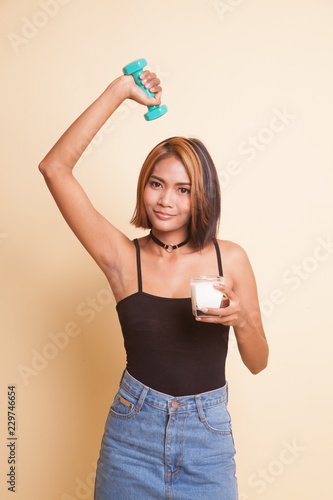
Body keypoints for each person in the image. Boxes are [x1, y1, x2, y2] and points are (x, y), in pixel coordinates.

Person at [39, 67, 269, 500]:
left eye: (183, 190)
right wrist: (120, 90)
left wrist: (240, 320)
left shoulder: (230, 257)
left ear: (203, 196)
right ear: (144, 186)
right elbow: (54, 169)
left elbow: (258, 362)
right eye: (157, 184)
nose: (166, 200)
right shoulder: (123, 259)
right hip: (132, 440)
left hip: (208, 441)